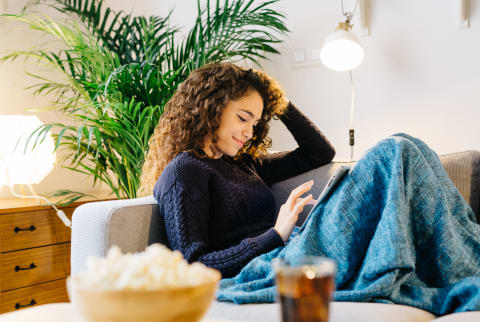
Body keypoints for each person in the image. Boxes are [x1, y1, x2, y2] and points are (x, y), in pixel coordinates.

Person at [140, 62, 335, 277]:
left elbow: (319, 152)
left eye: (255, 123)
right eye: (243, 118)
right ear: (211, 107)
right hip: (268, 263)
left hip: (291, 249)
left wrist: (279, 101)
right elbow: (194, 265)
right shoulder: (185, 171)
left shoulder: (245, 164)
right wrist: (276, 234)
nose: (249, 133)